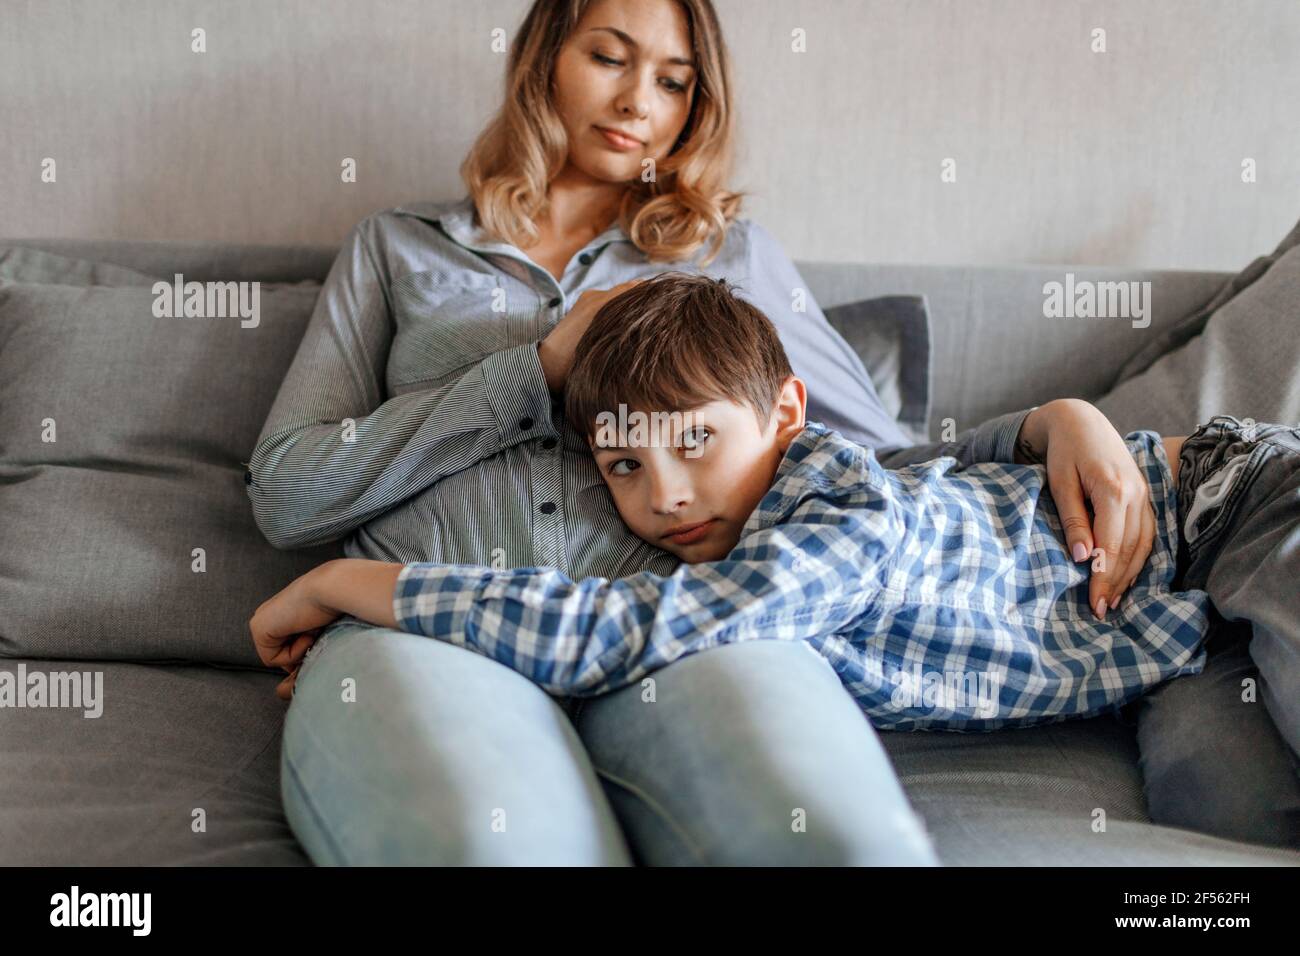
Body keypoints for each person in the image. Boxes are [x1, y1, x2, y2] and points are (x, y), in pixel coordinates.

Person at [247, 0, 1296, 862]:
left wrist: (1046, 422)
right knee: (483, 846)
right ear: (541, 62)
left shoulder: (727, 254)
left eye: (673, 79)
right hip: (427, 620)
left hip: (699, 619)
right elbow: (291, 490)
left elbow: (863, 471)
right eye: (607, 56)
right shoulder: (399, 248)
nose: (636, 101)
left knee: (833, 842)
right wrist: (534, 371)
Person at [251, 273, 1298, 767]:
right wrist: (1035, 426)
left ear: (785, 414)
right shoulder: (801, 510)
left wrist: (344, 584)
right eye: (623, 461)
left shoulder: (826, 522)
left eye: (694, 442)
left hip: (1229, 498)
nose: (662, 493)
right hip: (1182, 620)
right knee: (1232, 820)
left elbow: (626, 627)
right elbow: (927, 473)